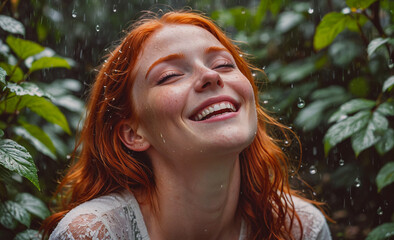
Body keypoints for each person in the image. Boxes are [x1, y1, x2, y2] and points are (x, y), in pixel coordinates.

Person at [41, 10, 331, 240]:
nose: (210, 76)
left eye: (223, 65)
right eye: (169, 76)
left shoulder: (299, 229)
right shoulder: (91, 235)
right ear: (133, 133)